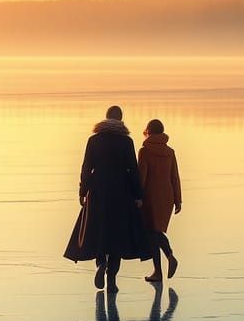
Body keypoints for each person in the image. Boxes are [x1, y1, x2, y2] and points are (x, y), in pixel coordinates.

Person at [65, 105, 151, 292]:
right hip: (121, 192)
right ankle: (111, 280)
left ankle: (100, 264)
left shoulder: (94, 140)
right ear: (121, 120)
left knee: (100, 231)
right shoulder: (126, 142)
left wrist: (83, 191)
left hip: (98, 191)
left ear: (105, 118)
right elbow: (133, 170)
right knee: (117, 236)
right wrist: (138, 195)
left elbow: (87, 167)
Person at [138, 118, 182, 283]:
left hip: (150, 197)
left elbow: (141, 177)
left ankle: (165, 263)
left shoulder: (145, 151)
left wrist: (138, 197)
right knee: (156, 232)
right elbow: (174, 177)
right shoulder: (170, 151)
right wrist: (178, 200)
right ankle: (166, 262)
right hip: (167, 197)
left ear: (148, 131)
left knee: (152, 233)